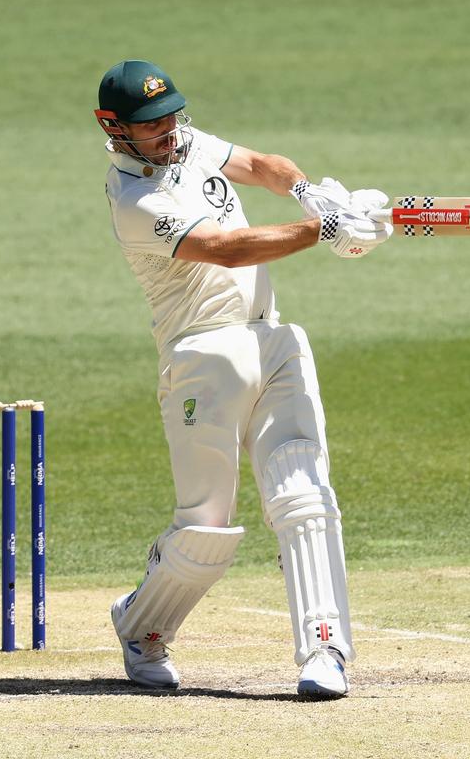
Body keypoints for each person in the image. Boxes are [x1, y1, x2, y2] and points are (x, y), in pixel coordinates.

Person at [94, 59, 393, 698]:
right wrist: (325, 232)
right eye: (150, 125)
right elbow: (227, 246)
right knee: (207, 528)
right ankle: (142, 625)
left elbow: (262, 167)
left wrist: (313, 194)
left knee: (304, 494)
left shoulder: (186, 143)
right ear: (113, 128)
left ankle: (325, 650)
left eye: (172, 114)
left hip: (270, 336)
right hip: (202, 354)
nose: (168, 131)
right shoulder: (134, 201)